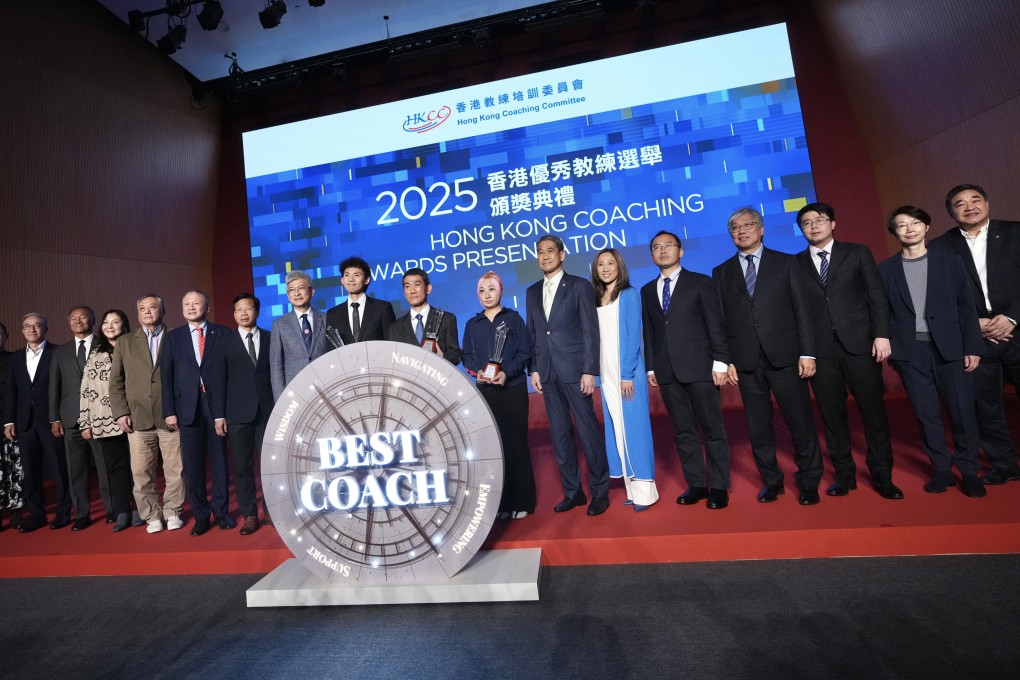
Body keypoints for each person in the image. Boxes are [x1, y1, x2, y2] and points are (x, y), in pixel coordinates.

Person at [712, 208, 824, 505]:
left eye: (748, 225)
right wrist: (727, 360)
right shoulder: (721, 272)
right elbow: (721, 320)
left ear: (761, 230)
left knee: (800, 422)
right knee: (758, 427)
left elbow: (803, 311)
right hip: (746, 361)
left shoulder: (787, 263)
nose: (742, 230)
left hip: (786, 356)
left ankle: (809, 481)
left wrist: (807, 352)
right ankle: (772, 482)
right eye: (735, 227)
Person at [794, 203, 904, 500]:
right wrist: (806, 352)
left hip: (860, 345)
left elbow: (877, 295)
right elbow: (798, 312)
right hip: (821, 351)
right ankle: (844, 476)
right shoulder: (795, 263)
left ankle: (882, 475)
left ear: (833, 223)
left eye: (819, 220)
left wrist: (881, 334)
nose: (813, 226)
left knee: (874, 413)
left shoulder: (857, 252)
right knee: (832, 417)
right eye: (806, 223)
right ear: (801, 229)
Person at [880, 206, 987, 497]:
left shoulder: (948, 261)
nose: (909, 229)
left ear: (927, 227)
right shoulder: (886, 269)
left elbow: (966, 306)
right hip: (910, 352)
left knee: (962, 413)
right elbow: (882, 311)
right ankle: (941, 469)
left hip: (951, 349)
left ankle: (968, 471)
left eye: (915, 223)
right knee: (926, 415)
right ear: (895, 232)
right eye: (902, 225)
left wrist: (972, 346)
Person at [933, 184, 1020, 485]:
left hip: (1017, 330)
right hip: (976, 338)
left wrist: (1011, 317)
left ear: (987, 203)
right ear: (951, 212)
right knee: (986, 406)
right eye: (959, 203)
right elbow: (938, 298)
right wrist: (974, 322)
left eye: (975, 200)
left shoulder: (1015, 233)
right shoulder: (940, 247)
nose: (969, 206)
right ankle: (1004, 463)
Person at [641, 231, 732, 509]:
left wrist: (720, 361)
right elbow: (650, 332)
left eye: (668, 246)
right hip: (667, 371)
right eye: (657, 247)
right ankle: (697, 484)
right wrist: (651, 367)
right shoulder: (646, 290)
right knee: (683, 431)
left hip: (700, 367)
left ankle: (718, 486)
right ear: (652, 255)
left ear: (680, 251)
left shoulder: (701, 283)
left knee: (713, 429)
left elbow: (715, 325)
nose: (663, 250)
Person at [526, 235, 610, 516]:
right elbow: (534, 334)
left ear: (562, 255)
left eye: (550, 251)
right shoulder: (531, 291)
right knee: (560, 435)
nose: (545, 256)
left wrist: (589, 370)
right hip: (547, 373)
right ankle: (573, 492)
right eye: (540, 252)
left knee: (588, 431)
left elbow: (590, 331)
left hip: (576, 371)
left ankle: (600, 491)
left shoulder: (579, 286)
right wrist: (534, 368)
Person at [108, 294, 186, 534]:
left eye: (153, 307)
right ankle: (151, 515)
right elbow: (116, 381)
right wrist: (121, 412)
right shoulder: (125, 341)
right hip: (138, 417)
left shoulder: (177, 337)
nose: (148, 312)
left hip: (170, 416)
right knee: (141, 472)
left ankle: (173, 511)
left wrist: (179, 409)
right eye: (142, 308)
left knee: (176, 469)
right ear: (137, 312)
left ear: (163, 310)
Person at [461, 272, 536, 519]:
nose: (486, 295)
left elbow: (524, 353)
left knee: (516, 446)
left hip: (512, 390)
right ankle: (501, 505)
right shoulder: (473, 324)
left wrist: (506, 373)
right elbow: (467, 356)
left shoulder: (513, 319)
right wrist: (478, 372)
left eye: (491, 289)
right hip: (485, 393)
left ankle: (523, 501)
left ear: (500, 291)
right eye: (482, 291)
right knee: (493, 450)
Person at [162, 291, 234, 536]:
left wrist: (225, 410)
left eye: (196, 303)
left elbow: (228, 374)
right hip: (187, 408)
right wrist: (169, 411)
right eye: (186, 304)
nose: (191, 308)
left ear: (208, 307)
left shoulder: (222, 333)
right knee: (193, 466)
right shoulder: (173, 338)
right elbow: (166, 377)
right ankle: (202, 516)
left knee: (220, 463)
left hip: (216, 408)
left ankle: (222, 513)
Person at [592, 249, 659, 511]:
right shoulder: (596, 298)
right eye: (601, 264)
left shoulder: (629, 295)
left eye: (611, 263)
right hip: (606, 374)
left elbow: (633, 338)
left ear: (620, 267)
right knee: (618, 429)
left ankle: (646, 492)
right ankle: (632, 488)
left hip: (626, 374)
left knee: (635, 429)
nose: (606, 268)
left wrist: (627, 374)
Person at [208, 293, 274, 536]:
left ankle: (271, 511)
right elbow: (217, 381)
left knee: (270, 466)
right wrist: (219, 415)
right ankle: (249, 514)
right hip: (237, 414)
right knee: (243, 468)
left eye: (248, 308)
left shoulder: (270, 338)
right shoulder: (224, 343)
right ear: (234, 314)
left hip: (268, 412)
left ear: (257, 311)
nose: (244, 313)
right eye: (239, 310)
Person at [3, 314, 71, 532]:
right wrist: (8, 421)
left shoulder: (57, 352)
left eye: (37, 325)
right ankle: (37, 514)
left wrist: (58, 417)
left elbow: (64, 388)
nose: (32, 329)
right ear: (22, 331)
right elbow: (11, 392)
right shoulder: (14, 358)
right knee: (30, 471)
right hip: (24, 422)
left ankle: (63, 513)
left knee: (58, 469)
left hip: (51, 420)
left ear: (46, 328)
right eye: (27, 326)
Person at [48, 306, 111, 531]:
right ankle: (82, 513)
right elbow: (54, 387)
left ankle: (112, 509)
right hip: (70, 418)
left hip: (101, 417)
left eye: (82, 317)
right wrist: (54, 418)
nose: (77, 321)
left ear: (93, 320)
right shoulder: (60, 351)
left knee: (105, 466)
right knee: (76, 470)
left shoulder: (105, 344)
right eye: (73, 318)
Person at [79, 310, 136, 532]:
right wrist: (85, 422)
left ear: (125, 325)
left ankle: (140, 508)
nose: (110, 326)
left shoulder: (133, 349)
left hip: (135, 418)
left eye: (115, 322)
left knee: (138, 467)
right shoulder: (95, 355)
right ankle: (122, 510)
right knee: (115, 468)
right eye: (106, 322)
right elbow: (85, 390)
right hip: (105, 420)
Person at [269, 270, 327, 402]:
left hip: (325, 386)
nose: (296, 293)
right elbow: (276, 365)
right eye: (292, 290)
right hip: (294, 392)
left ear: (312, 291)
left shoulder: (326, 319)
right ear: (288, 295)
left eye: (301, 288)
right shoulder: (279, 324)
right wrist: (280, 400)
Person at [388, 268, 462, 365]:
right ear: (404, 293)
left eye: (417, 285)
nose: (412, 291)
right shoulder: (396, 327)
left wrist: (442, 356)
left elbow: (456, 355)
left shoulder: (446, 319)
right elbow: (395, 361)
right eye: (407, 286)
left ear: (428, 289)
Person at [324, 256, 396, 346]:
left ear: (366, 280)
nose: (351, 279)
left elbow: (392, 344)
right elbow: (331, 351)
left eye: (356, 275)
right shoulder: (333, 314)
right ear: (342, 280)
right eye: (347, 275)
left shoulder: (382, 308)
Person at [0, 322, 25, 530]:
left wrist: (11, 419)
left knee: (14, 467)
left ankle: (16, 509)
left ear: (6, 336)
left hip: (10, 420)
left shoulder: (14, 359)